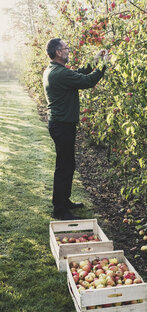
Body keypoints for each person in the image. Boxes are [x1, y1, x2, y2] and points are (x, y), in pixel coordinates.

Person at [43, 38, 107, 220]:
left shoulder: (54, 70)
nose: (68, 50)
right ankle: (60, 210)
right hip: (62, 125)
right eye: (66, 48)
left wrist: (94, 60)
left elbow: (78, 73)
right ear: (57, 52)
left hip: (60, 124)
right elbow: (87, 81)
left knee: (67, 164)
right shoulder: (59, 73)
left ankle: (64, 200)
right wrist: (103, 65)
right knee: (64, 166)